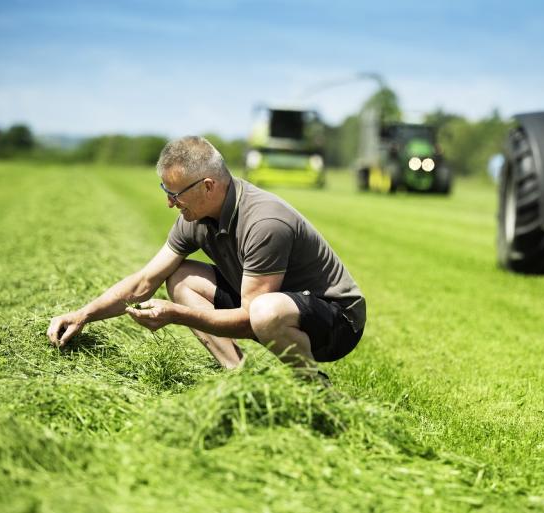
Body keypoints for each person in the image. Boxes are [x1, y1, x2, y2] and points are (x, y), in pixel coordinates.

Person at [47, 136, 366, 381]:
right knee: (180, 277)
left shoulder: (265, 222)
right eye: (165, 191)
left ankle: (313, 388)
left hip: (336, 321)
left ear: (208, 186)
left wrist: (178, 314)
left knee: (265, 312)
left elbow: (248, 319)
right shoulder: (193, 219)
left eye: (175, 194)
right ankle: (239, 378)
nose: (170, 204)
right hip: (271, 303)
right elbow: (146, 281)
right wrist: (83, 315)